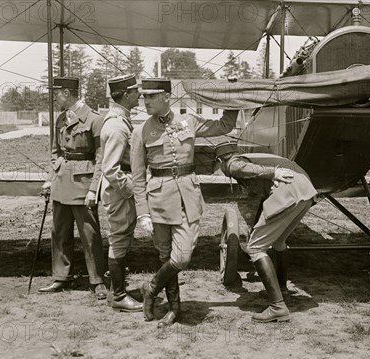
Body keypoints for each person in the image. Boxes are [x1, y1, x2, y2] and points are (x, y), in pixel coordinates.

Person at [131, 78, 239, 326]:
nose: (145, 101)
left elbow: (224, 125)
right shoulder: (140, 132)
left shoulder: (187, 121)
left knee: (182, 257)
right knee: (164, 256)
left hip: (188, 197)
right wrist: (142, 213)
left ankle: (151, 287)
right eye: (143, 97)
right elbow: (137, 178)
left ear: (166, 97)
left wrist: (234, 97)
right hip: (158, 200)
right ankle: (174, 310)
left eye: (151, 96)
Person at [215, 140, 318, 322]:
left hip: (288, 190)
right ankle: (283, 290)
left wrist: (272, 173)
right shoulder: (260, 156)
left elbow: (239, 168)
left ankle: (277, 306)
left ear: (221, 160)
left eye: (218, 165)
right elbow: (265, 200)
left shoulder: (233, 162)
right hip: (306, 189)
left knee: (255, 249)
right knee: (279, 242)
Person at [39, 77, 108, 300]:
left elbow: (101, 158)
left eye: (57, 93)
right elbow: (56, 152)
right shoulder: (60, 119)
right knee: (59, 233)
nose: (54, 97)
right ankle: (61, 277)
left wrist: (93, 188)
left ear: (67, 93)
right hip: (61, 182)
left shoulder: (94, 119)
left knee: (90, 235)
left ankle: (97, 280)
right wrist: (50, 178)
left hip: (83, 184)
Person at [100, 74, 143, 312]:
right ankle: (117, 296)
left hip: (121, 189)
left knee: (122, 238)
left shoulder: (120, 120)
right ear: (126, 94)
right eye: (136, 90)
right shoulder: (117, 126)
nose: (140, 94)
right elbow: (110, 169)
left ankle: (116, 292)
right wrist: (132, 191)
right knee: (118, 239)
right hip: (120, 191)